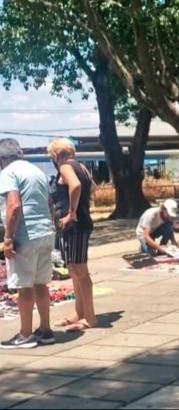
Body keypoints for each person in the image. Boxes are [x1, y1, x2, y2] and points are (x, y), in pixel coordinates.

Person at [0, 138, 56, 348]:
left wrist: (8, 238)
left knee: (24, 286)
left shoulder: (8, 173)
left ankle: (25, 335)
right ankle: (45, 330)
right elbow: (49, 202)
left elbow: (14, 206)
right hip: (45, 231)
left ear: (2, 158)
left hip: (26, 233)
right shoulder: (37, 171)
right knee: (41, 283)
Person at [47, 138, 97, 333]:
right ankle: (79, 311)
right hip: (77, 224)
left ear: (56, 154)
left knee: (80, 270)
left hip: (74, 225)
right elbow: (92, 188)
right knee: (74, 269)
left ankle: (90, 317)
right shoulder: (81, 166)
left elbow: (75, 186)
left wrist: (72, 212)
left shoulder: (66, 167)